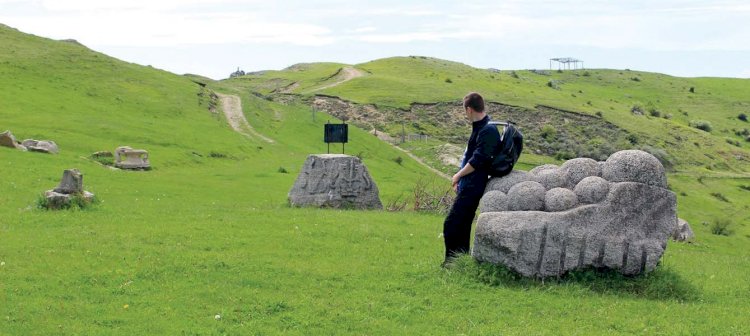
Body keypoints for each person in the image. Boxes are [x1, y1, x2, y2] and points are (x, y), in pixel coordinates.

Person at [442, 92, 500, 267]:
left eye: (465, 111)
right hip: (469, 183)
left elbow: (477, 160)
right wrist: (461, 180)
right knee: (462, 224)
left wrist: (458, 175)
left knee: (451, 224)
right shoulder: (481, 128)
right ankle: (460, 262)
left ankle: (451, 263)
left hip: (474, 185)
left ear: (469, 109)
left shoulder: (487, 129)